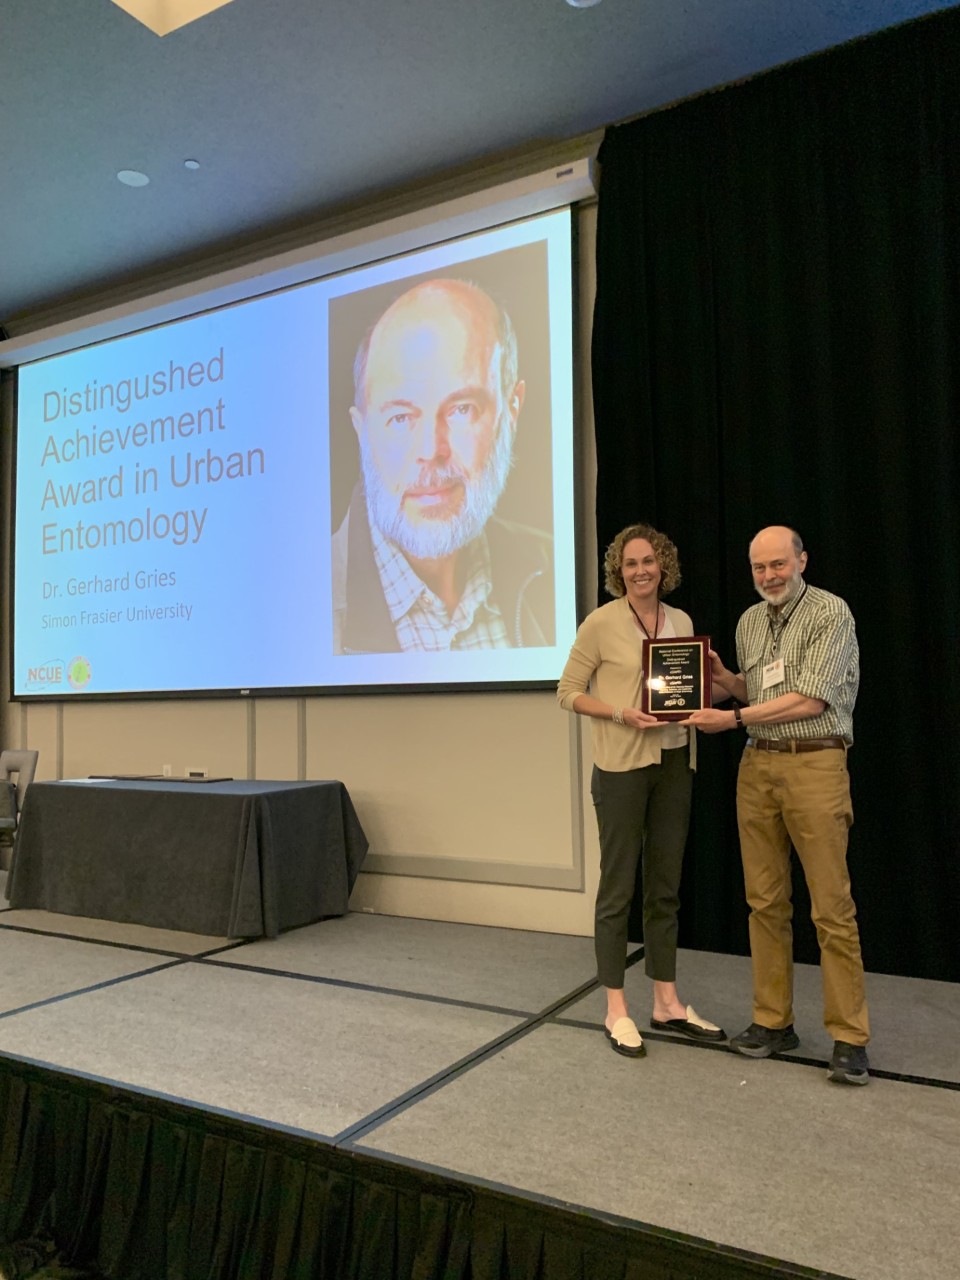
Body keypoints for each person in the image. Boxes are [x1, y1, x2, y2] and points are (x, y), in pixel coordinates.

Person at [685, 525, 870, 1085]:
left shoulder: (830, 613)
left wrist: (733, 717)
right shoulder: (749, 621)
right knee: (764, 902)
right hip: (758, 766)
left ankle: (849, 1036)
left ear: (802, 561)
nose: (769, 576)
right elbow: (763, 692)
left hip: (815, 764)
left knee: (831, 907)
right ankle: (773, 1021)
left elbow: (811, 699)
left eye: (778, 564)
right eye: (759, 567)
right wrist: (726, 681)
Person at [558, 523, 724, 1058]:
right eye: (630, 563)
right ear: (618, 571)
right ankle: (616, 1008)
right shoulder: (600, 623)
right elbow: (567, 692)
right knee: (618, 890)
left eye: (648, 561)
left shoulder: (682, 622)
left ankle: (666, 1002)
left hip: (675, 762)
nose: (640, 570)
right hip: (621, 766)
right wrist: (619, 713)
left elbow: (688, 685)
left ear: (663, 565)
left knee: (665, 888)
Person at [332, 278, 553, 654]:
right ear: (361, 431)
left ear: (512, 409)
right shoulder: (304, 602)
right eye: (400, 418)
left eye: (462, 409)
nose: (430, 450)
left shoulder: (554, 567)